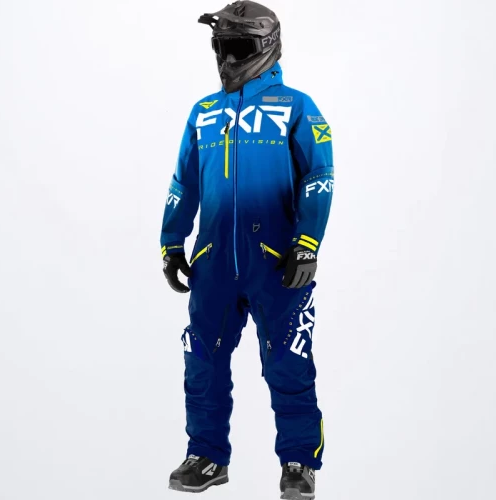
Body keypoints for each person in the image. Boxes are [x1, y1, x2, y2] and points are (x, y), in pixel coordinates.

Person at [160, 1, 334, 498]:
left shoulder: (298, 107)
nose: (228, 59)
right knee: (202, 362)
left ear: (266, 46)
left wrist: (307, 244)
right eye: (221, 47)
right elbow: (183, 182)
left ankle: (299, 463)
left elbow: (320, 175)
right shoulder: (203, 113)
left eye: (239, 47)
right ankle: (206, 456)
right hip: (212, 262)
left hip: (277, 263)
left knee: (289, 362)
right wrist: (172, 241)